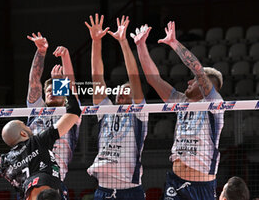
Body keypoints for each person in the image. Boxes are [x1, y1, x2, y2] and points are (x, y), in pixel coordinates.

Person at [131, 21, 224, 200]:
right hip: (175, 181)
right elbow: (154, 80)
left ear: (208, 85)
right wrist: (141, 46)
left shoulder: (214, 104)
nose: (189, 82)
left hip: (201, 187)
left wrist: (174, 43)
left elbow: (197, 70)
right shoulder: (181, 101)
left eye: (194, 81)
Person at [85, 13, 148, 200]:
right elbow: (97, 76)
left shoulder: (139, 114)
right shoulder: (106, 110)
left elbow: (134, 76)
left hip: (130, 189)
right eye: (119, 89)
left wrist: (122, 41)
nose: (122, 91)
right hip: (103, 189)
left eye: (127, 89)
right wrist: (96, 42)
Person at [26, 32, 80, 183]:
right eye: (49, 91)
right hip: (31, 178)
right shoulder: (37, 109)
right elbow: (34, 81)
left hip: (55, 179)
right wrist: (41, 51)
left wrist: (66, 57)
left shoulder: (70, 114)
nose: (52, 93)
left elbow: (72, 86)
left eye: (56, 91)